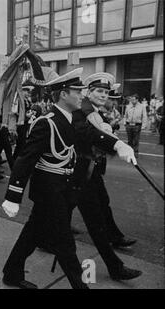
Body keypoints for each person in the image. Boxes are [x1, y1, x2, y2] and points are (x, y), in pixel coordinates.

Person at [1, 68, 137, 289]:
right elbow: (25, 160)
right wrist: (13, 196)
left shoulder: (71, 119)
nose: (81, 95)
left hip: (64, 189)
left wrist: (118, 144)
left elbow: (91, 135)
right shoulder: (48, 122)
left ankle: (11, 273)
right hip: (49, 192)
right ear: (64, 94)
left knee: (32, 233)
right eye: (77, 91)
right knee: (65, 245)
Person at [72, 73, 142, 281]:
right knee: (94, 221)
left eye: (106, 92)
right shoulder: (81, 111)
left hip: (91, 171)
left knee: (104, 204)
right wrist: (116, 144)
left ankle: (115, 236)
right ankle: (115, 267)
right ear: (88, 92)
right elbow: (90, 136)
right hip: (80, 175)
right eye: (99, 91)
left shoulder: (94, 111)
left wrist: (114, 141)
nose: (104, 95)